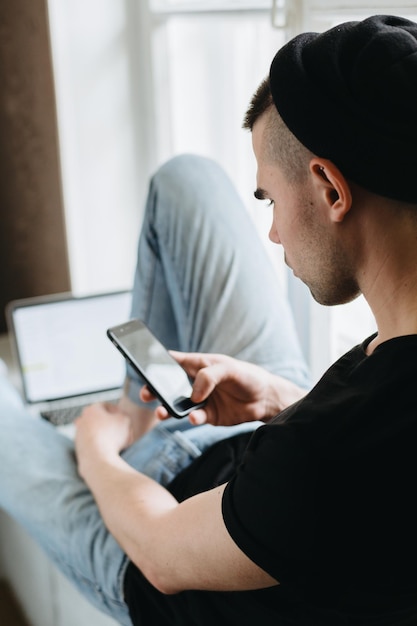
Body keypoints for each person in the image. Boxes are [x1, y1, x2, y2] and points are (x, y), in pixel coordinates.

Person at [2, 12, 417, 626]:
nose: (272, 231)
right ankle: (142, 420)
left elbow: (161, 554)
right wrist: (278, 398)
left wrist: (96, 452)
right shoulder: (377, 383)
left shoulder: (321, 458)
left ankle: (130, 431)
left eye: (271, 200)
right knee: (185, 180)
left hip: (156, 546)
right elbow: (365, 463)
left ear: (331, 189)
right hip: (257, 458)